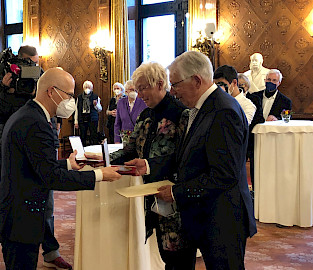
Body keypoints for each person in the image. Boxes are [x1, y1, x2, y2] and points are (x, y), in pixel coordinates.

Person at [0, 67, 122, 270]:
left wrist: (68, 164)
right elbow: (51, 177)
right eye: (68, 95)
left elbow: (34, 164)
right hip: (19, 219)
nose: (70, 101)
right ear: (51, 91)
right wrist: (99, 175)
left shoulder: (28, 114)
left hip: (13, 211)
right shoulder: (36, 123)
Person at [150, 51, 256, 269]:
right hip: (207, 215)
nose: (173, 91)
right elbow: (190, 157)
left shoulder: (223, 111)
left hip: (223, 218)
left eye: (176, 84)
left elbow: (223, 175)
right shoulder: (202, 108)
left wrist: (176, 193)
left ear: (197, 80)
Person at [0, 45, 73, 270]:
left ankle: (49, 250)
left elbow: (52, 111)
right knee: (17, 202)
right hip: (12, 150)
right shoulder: (5, 83)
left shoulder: (43, 83)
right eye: (30, 63)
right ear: (19, 61)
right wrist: (5, 90)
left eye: (36, 63)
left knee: (46, 204)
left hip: (41, 144)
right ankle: (18, 245)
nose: (33, 67)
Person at [108, 62, 195, 269]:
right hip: (150, 193)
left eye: (143, 88)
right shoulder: (146, 114)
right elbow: (130, 149)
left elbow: (186, 157)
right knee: (164, 254)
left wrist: (149, 165)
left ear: (160, 84)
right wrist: (105, 160)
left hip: (173, 195)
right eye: (137, 89)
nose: (139, 94)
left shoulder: (180, 113)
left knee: (178, 257)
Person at [238, 73, 265, 196]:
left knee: (254, 167)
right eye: (237, 85)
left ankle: (255, 191)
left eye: (241, 85)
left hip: (251, 137)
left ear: (247, 86)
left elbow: (259, 118)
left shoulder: (254, 99)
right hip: (239, 139)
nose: (239, 87)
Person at [74, 80, 101, 146]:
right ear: (83, 88)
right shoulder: (79, 97)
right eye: (86, 87)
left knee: (93, 135)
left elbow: (100, 109)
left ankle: (95, 150)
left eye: (89, 87)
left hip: (92, 119)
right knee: (83, 136)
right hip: (82, 118)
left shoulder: (95, 96)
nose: (87, 89)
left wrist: (96, 105)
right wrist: (76, 121)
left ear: (92, 88)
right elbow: (76, 109)